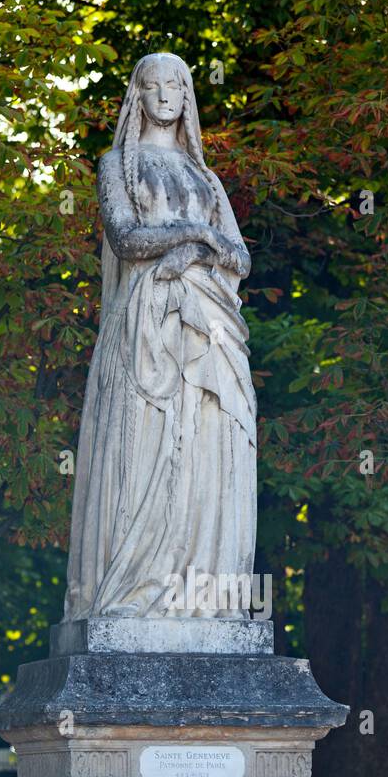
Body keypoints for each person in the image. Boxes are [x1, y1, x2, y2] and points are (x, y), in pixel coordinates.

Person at [64, 52, 257, 621]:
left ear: (188, 96)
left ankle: (202, 594)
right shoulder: (117, 164)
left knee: (208, 450)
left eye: (177, 84)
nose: (166, 95)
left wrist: (190, 245)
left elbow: (239, 257)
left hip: (212, 327)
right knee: (147, 450)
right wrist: (198, 234)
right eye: (154, 85)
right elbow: (125, 236)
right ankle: (136, 587)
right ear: (138, 96)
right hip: (146, 324)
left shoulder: (207, 177)